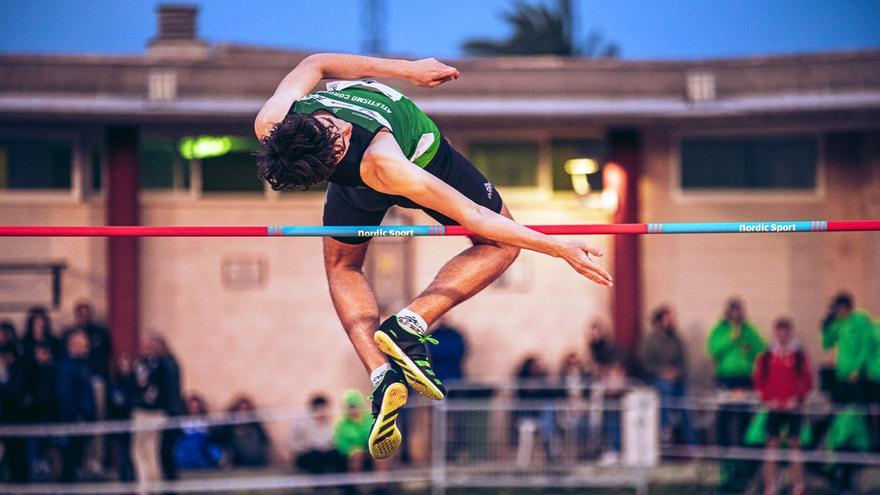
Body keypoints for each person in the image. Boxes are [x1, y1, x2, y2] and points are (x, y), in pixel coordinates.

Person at [254, 53, 613, 458]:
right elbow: (475, 216)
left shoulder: (273, 121)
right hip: (418, 160)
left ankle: (381, 374)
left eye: (328, 121)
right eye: (337, 135)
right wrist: (557, 247)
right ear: (332, 158)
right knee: (504, 244)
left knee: (343, 266)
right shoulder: (383, 162)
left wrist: (409, 69)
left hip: (365, 176)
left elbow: (315, 63)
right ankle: (408, 328)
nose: (339, 124)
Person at [706, 298, 765, 492]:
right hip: (726, 378)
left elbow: (760, 350)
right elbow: (713, 350)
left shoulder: (749, 330)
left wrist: (748, 351)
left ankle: (745, 461)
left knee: (744, 420)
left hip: (745, 378)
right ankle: (725, 459)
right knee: (724, 418)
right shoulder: (720, 330)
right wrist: (730, 338)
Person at [753, 318, 812, 495]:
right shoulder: (766, 357)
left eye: (786, 331)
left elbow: (807, 381)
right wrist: (768, 399)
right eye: (780, 330)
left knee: (795, 444)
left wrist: (797, 399)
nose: (783, 334)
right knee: (771, 445)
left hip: (793, 408)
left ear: (790, 332)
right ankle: (770, 486)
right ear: (775, 332)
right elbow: (759, 381)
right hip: (773, 408)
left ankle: (799, 486)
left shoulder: (800, 356)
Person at [131, 333, 183, 490]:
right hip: (154, 413)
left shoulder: (163, 364)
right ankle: (148, 486)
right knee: (143, 451)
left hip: (156, 413)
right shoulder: (152, 363)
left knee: (153, 452)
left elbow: (153, 390)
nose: (144, 350)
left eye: (148, 347)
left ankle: (153, 487)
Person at [640, 306, 696, 446]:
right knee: (664, 392)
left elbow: (683, 361)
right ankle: (665, 431)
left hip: (677, 378)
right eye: (668, 318)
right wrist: (663, 372)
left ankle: (691, 441)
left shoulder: (677, 339)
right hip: (657, 379)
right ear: (659, 321)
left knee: (685, 402)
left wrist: (676, 372)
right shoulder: (650, 340)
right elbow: (646, 363)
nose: (671, 321)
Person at [55, 329, 97, 482]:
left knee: (76, 463)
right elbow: (66, 395)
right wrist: (77, 416)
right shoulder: (66, 367)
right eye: (83, 344)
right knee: (68, 463)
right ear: (72, 345)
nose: (87, 348)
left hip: (82, 421)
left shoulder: (83, 366)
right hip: (72, 423)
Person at [821, 292, 873, 405]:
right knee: (840, 407)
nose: (838, 312)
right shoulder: (838, 323)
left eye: (839, 308)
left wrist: (858, 369)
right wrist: (826, 328)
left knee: (860, 409)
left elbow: (866, 346)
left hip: (859, 375)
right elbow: (826, 345)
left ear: (846, 307)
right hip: (842, 374)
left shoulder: (860, 320)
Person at [289, 394, 346, 474]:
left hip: (324, 453)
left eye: (325, 409)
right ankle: (319, 485)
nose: (323, 412)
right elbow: (293, 444)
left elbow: (332, 442)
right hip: (306, 454)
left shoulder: (330, 424)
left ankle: (344, 483)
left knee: (338, 455)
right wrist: (307, 446)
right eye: (321, 409)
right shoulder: (301, 423)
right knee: (315, 456)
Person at [219, 395, 270, 467]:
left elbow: (265, 439)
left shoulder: (255, 424)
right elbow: (223, 439)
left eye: (246, 410)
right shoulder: (229, 425)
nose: (243, 413)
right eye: (240, 410)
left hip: (255, 456)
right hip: (237, 456)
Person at [174, 394, 222, 470]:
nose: (194, 409)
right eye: (192, 407)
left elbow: (211, 437)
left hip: (202, 445)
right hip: (187, 448)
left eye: (196, 407)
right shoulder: (182, 421)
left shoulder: (206, 421)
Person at [331, 390, 374, 473]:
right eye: (350, 407)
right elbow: (339, 442)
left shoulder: (370, 418)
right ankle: (356, 482)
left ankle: (380, 483)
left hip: (371, 449)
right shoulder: (342, 424)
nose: (353, 409)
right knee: (357, 455)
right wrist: (351, 450)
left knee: (383, 454)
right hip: (352, 453)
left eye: (354, 406)